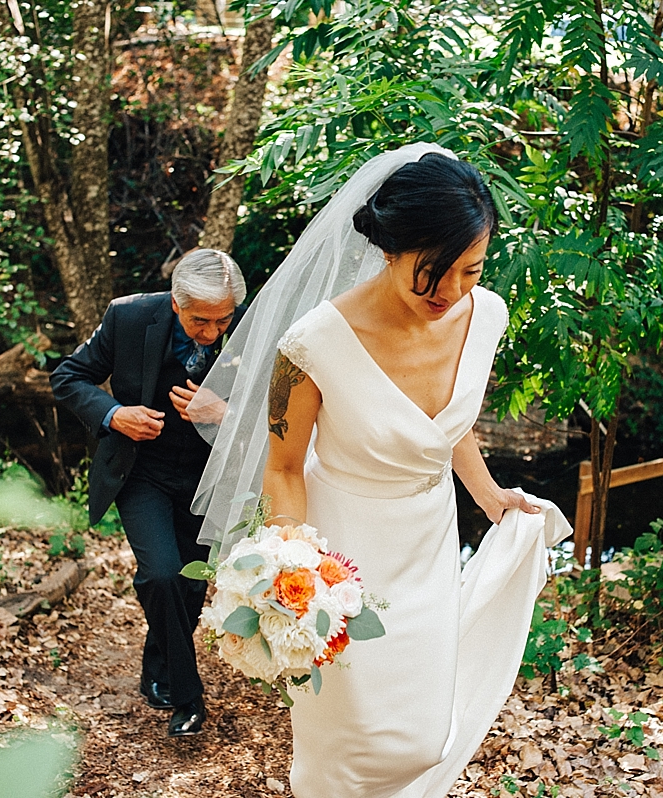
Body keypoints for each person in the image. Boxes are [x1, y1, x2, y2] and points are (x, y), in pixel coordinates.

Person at [189, 145, 571, 796]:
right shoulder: (312, 344)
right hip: (343, 554)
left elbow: (445, 426)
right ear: (390, 247)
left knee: (423, 738)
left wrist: (486, 494)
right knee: (348, 740)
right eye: (433, 272)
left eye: (471, 270)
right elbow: (283, 468)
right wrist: (296, 572)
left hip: (427, 540)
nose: (451, 293)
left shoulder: (488, 316)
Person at [50, 248, 246, 737]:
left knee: (192, 583)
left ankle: (157, 666)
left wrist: (224, 411)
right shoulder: (128, 315)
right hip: (143, 472)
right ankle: (188, 696)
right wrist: (116, 415)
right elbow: (67, 377)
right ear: (176, 304)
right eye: (202, 321)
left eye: (223, 320)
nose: (212, 332)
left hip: (210, 475)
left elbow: (275, 404)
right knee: (160, 575)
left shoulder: (247, 327)